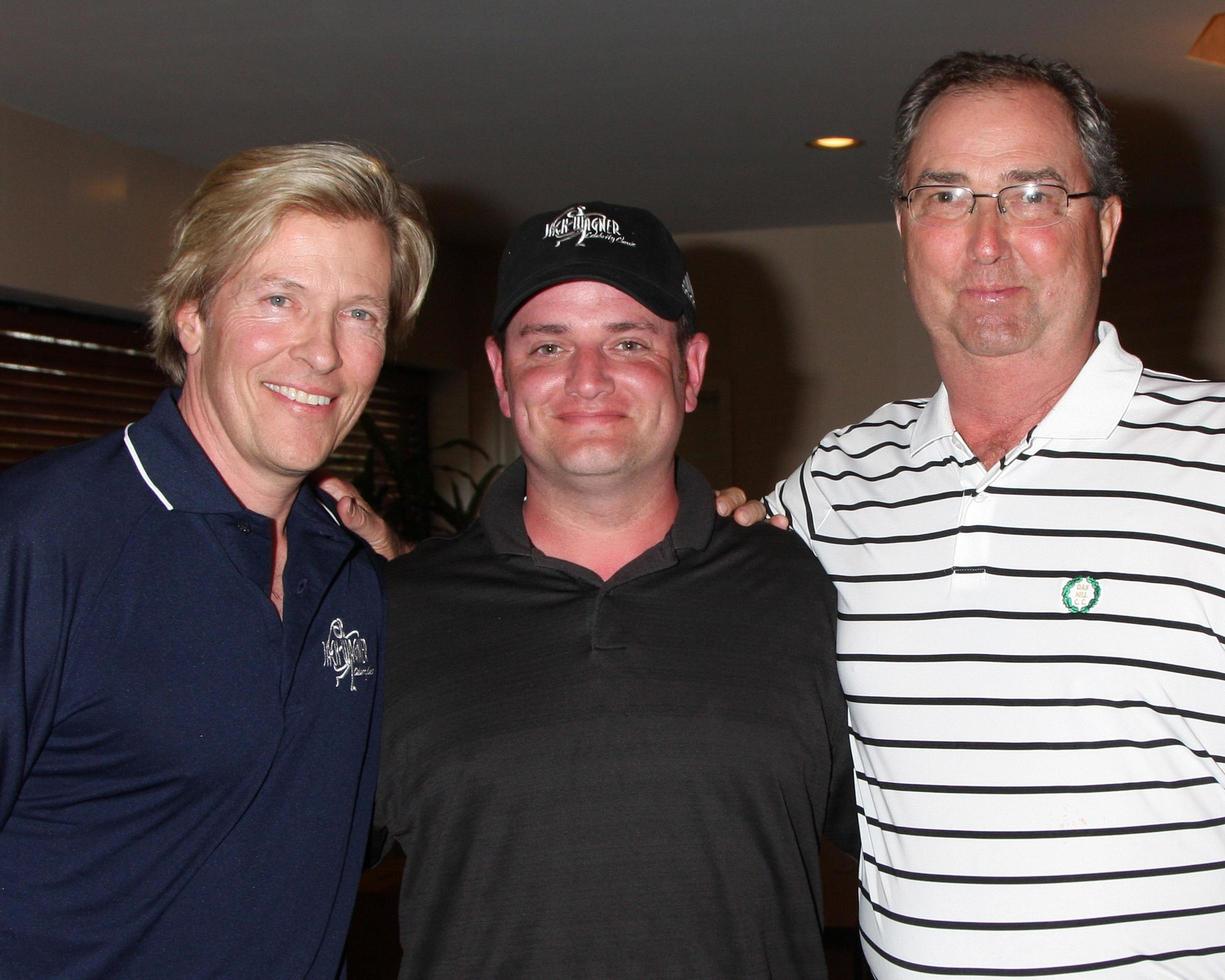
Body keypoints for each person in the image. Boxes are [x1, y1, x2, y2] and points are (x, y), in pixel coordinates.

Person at [721, 52, 1225, 976]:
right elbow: (685, 589)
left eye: (1032, 194)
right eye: (946, 196)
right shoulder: (841, 481)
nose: (986, 241)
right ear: (905, 230)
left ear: (1104, 229)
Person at [367, 202, 856, 977]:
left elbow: (924, 849)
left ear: (688, 369)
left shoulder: (803, 593)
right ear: (501, 375)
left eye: (627, 342)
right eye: (548, 344)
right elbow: (263, 868)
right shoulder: (392, 613)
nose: (586, 379)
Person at [0, 141, 434, 977]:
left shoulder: (351, 573)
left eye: (361, 314)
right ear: (193, 315)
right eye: (280, 299)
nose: (321, 353)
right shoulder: (43, 540)